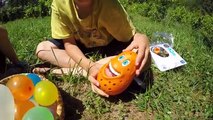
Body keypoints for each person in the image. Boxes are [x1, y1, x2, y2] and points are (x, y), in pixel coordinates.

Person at [33, 0, 151, 97]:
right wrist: (89, 65)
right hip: (79, 44)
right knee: (42, 49)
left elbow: (131, 39)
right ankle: (95, 69)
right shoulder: (60, 4)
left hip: (108, 45)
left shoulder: (109, 5)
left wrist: (140, 37)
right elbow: (69, 43)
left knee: (140, 57)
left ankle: (77, 71)